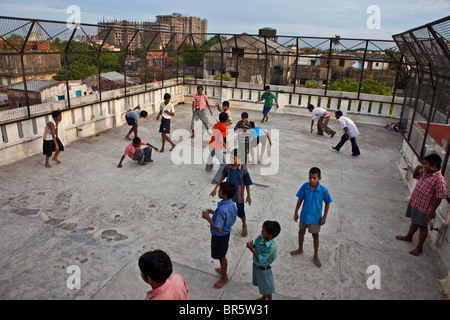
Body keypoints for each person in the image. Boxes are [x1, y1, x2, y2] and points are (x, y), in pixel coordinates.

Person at [396, 154, 447, 256]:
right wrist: (417, 168)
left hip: (425, 207)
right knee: (414, 222)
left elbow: (440, 196)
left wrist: (432, 210)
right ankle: (409, 236)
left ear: (434, 165)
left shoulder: (439, 179)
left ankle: (419, 248)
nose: (424, 165)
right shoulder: (425, 172)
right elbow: (415, 176)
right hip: (416, 202)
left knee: (422, 227)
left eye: (426, 164)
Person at [290, 167, 332, 268]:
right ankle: (300, 248)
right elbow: (300, 199)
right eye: (310, 177)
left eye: (314, 178)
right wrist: (296, 212)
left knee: (315, 236)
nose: (311, 180)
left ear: (319, 178)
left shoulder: (323, 191)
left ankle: (315, 255)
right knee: (301, 232)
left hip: (315, 218)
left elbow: (328, 202)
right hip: (304, 216)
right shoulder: (305, 186)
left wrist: (324, 217)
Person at [202, 182, 238, 289]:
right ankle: (223, 270)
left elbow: (218, 227)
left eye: (220, 191)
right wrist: (214, 212)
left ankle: (224, 277)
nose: (218, 192)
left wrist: (207, 217)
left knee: (221, 256)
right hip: (225, 233)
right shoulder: (231, 204)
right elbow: (227, 217)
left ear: (225, 195)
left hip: (219, 236)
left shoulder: (222, 209)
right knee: (221, 254)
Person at [210, 148, 252, 237]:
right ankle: (225, 223)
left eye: (234, 158)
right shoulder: (227, 167)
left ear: (240, 159)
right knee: (226, 209)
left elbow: (247, 183)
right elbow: (222, 177)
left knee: (241, 212)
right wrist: (216, 187)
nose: (232, 160)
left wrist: (248, 196)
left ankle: (244, 224)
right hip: (228, 195)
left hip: (239, 196)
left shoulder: (244, 170)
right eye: (231, 158)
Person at [246, 220, 280, 300]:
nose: (261, 231)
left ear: (270, 236)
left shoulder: (271, 248)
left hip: (264, 270)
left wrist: (251, 249)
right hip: (257, 266)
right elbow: (256, 245)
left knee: (267, 287)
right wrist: (252, 245)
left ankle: (269, 298)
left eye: (263, 230)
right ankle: (264, 297)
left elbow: (260, 257)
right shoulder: (262, 237)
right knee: (262, 285)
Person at [206, 112, 229, 184]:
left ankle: (208, 167)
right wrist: (226, 146)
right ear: (226, 120)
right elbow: (220, 140)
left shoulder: (216, 124)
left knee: (211, 155)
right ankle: (215, 179)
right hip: (217, 147)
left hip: (211, 144)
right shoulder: (224, 128)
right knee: (223, 164)